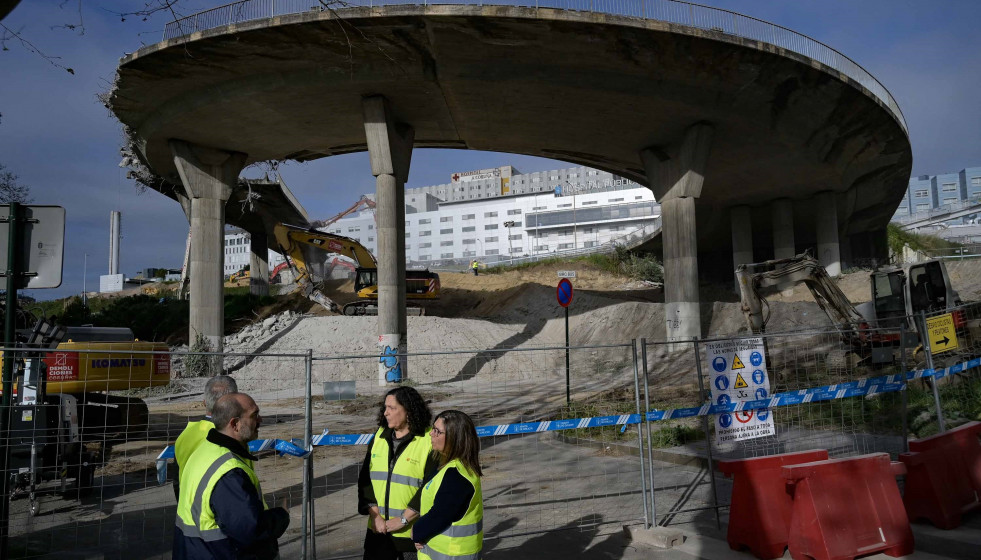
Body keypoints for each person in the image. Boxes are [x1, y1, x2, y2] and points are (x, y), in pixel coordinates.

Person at [173, 393, 290, 560]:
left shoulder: (206, 449)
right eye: (254, 415)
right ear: (235, 424)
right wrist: (281, 516)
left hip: (196, 550)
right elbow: (249, 530)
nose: (260, 420)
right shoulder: (228, 472)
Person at [358, 387, 438, 560]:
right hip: (377, 533)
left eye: (392, 408)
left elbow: (430, 487)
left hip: (411, 537)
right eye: (385, 407)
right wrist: (375, 516)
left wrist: (403, 520)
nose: (385, 413)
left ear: (408, 411)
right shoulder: (379, 436)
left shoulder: (428, 441)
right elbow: (365, 480)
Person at [412, 410, 483, 560]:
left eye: (438, 431)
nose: (431, 434)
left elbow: (440, 515)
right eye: (433, 428)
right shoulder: (448, 466)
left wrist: (417, 531)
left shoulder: (456, 476)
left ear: (454, 438)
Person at [172, 375, 238, 499]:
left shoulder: (185, 435)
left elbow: (177, 480)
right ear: (234, 403)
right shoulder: (232, 435)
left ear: (204, 403)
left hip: (187, 509)